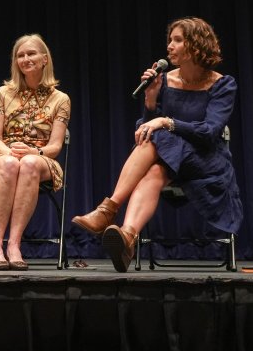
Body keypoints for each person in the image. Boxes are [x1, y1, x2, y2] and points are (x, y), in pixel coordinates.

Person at [72, 16, 243, 272]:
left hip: (205, 161)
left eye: (177, 40)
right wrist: (151, 101)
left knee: (158, 136)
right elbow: (149, 126)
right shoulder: (165, 80)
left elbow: (209, 132)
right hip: (169, 161)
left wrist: (166, 121)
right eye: (169, 41)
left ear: (196, 45)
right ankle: (128, 236)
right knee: (153, 167)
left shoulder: (222, 84)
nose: (169, 47)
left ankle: (108, 209)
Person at [0, 34, 71, 271]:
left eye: (31, 54)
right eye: (20, 55)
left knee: (28, 162)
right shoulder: (3, 93)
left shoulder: (61, 99)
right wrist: (10, 152)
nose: (26, 59)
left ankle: (14, 244)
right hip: (2, 155)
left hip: (42, 158)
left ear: (44, 59)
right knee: (10, 164)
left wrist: (34, 151)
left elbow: (55, 146)